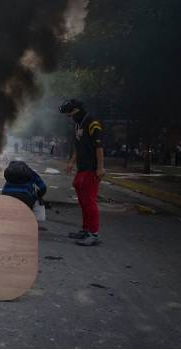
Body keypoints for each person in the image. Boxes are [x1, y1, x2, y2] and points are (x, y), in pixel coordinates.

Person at [59, 99, 105, 246]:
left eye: (70, 114)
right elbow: (78, 147)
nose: (69, 117)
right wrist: (71, 162)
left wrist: (100, 167)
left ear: (78, 110)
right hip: (82, 167)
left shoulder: (92, 123)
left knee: (89, 201)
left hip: (92, 168)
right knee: (81, 196)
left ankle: (94, 234)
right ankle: (85, 230)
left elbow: (99, 147)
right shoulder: (78, 124)